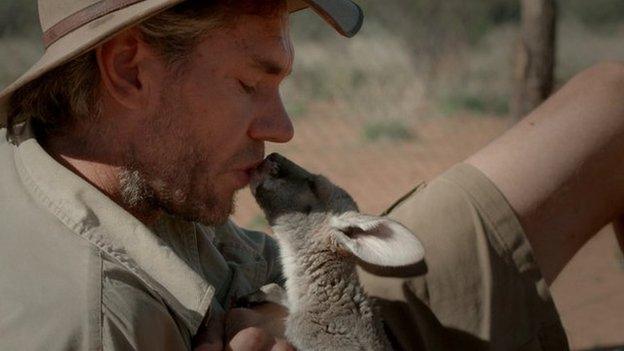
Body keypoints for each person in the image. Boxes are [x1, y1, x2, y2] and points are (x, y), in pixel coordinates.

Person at [0, 0, 622, 349]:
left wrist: (282, 322)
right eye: (251, 83)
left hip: (322, 310)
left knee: (612, 106)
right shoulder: (92, 322)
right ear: (131, 69)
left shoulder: (116, 170)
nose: (282, 127)